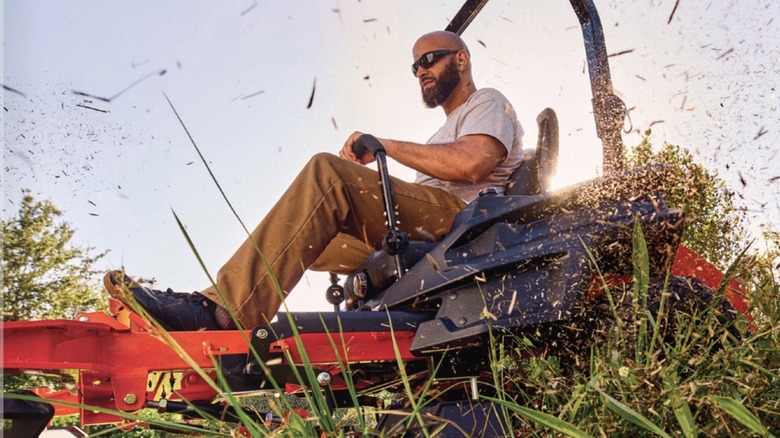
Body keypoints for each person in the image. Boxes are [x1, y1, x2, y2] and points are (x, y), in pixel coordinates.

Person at [105, 30, 524, 331]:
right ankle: (215, 300)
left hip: (466, 222)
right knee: (306, 231)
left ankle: (223, 312)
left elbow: (472, 164)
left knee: (327, 174)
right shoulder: (442, 129)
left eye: (429, 59)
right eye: (414, 65)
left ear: (462, 59)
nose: (420, 71)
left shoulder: (487, 101)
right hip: (433, 224)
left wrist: (383, 145)